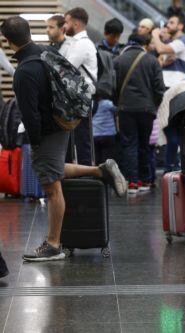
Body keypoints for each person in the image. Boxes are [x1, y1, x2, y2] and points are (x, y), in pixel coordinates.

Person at [1, 16, 127, 261]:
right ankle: (101, 170)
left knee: (51, 187)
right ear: (29, 33)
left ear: (7, 42)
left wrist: (34, 142)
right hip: (64, 122)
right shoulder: (47, 52)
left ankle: (53, 244)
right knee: (56, 170)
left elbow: (30, 114)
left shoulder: (24, 71)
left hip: (46, 132)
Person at [114, 33, 166, 193]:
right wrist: (153, 104)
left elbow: (112, 86)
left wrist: (119, 103)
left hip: (125, 109)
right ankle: (144, 181)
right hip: (147, 109)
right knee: (145, 145)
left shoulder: (118, 60)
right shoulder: (152, 60)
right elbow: (159, 88)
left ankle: (132, 182)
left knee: (129, 144)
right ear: (145, 44)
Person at [151, 15, 185, 173]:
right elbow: (160, 57)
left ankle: (173, 167)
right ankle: (171, 167)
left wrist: (156, 35)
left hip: (176, 91)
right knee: (170, 131)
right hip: (167, 90)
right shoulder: (172, 42)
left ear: (180, 26)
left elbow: (160, 50)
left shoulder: (183, 41)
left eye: (172, 22)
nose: (168, 25)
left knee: (173, 129)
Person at [64, 7, 98, 166]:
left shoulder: (82, 44)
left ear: (75, 24)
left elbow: (64, 68)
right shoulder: (75, 43)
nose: (64, 26)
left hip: (80, 98)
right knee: (75, 141)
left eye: (66, 22)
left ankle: (87, 181)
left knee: (82, 140)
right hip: (76, 98)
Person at [93, 18, 125, 165]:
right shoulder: (95, 50)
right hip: (101, 97)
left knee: (117, 135)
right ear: (106, 33)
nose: (116, 40)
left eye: (118, 36)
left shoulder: (121, 51)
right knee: (101, 132)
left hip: (118, 96)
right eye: (114, 36)